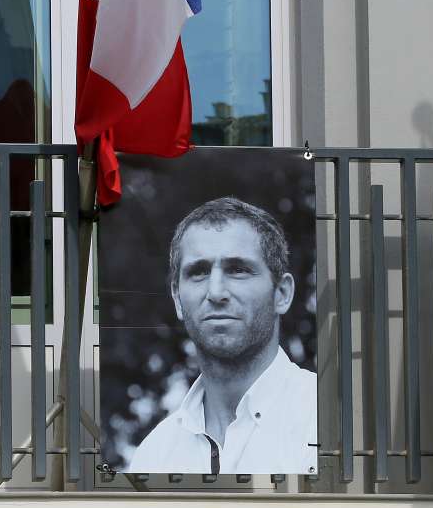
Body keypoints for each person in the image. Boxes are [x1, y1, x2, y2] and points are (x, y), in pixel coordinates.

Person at [127, 197, 318, 474]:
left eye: (238, 270)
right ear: (178, 299)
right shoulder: (155, 455)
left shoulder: (328, 419)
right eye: (198, 272)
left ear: (282, 293)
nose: (216, 292)